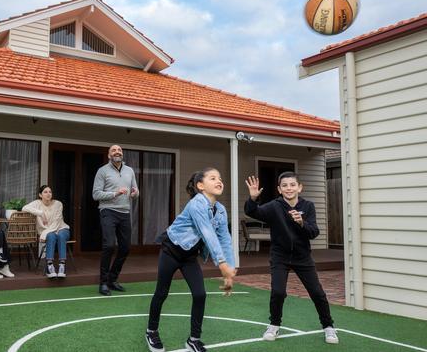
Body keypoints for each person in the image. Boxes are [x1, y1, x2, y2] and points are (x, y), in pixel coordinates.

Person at [145, 168, 236, 352]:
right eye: (213, 178)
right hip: (171, 250)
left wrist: (230, 270)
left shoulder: (220, 210)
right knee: (161, 293)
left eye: (220, 178)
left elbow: (224, 238)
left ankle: (193, 339)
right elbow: (207, 233)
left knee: (200, 294)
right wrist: (222, 264)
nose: (219, 181)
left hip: (189, 256)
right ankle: (151, 331)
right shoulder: (196, 204)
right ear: (200, 186)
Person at [244, 172, 338, 344]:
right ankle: (274, 325)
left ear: (299, 187)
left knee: (317, 293)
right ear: (279, 189)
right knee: (278, 292)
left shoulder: (308, 206)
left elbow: (314, 232)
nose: (289, 188)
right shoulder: (274, 206)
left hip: (303, 257)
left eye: (293, 185)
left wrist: (302, 223)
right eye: (285, 185)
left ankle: (329, 327)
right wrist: (252, 198)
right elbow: (252, 211)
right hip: (280, 257)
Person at [92, 144, 139, 296]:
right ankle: (103, 283)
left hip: (125, 212)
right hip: (108, 211)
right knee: (109, 246)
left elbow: (135, 191)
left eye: (119, 150)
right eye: (114, 150)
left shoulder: (129, 170)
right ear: (108, 155)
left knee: (125, 248)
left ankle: (113, 279)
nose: (117, 152)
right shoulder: (102, 171)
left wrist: (134, 193)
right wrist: (115, 193)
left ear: (122, 154)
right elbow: (96, 194)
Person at [22, 185, 70, 278]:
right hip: (48, 232)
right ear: (40, 195)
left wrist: (44, 233)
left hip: (61, 228)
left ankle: (62, 266)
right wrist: (41, 213)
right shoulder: (37, 203)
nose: (48, 194)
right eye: (45, 192)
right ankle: (49, 266)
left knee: (60, 235)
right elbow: (24, 208)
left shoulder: (58, 204)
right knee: (51, 236)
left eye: (50, 192)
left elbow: (57, 222)